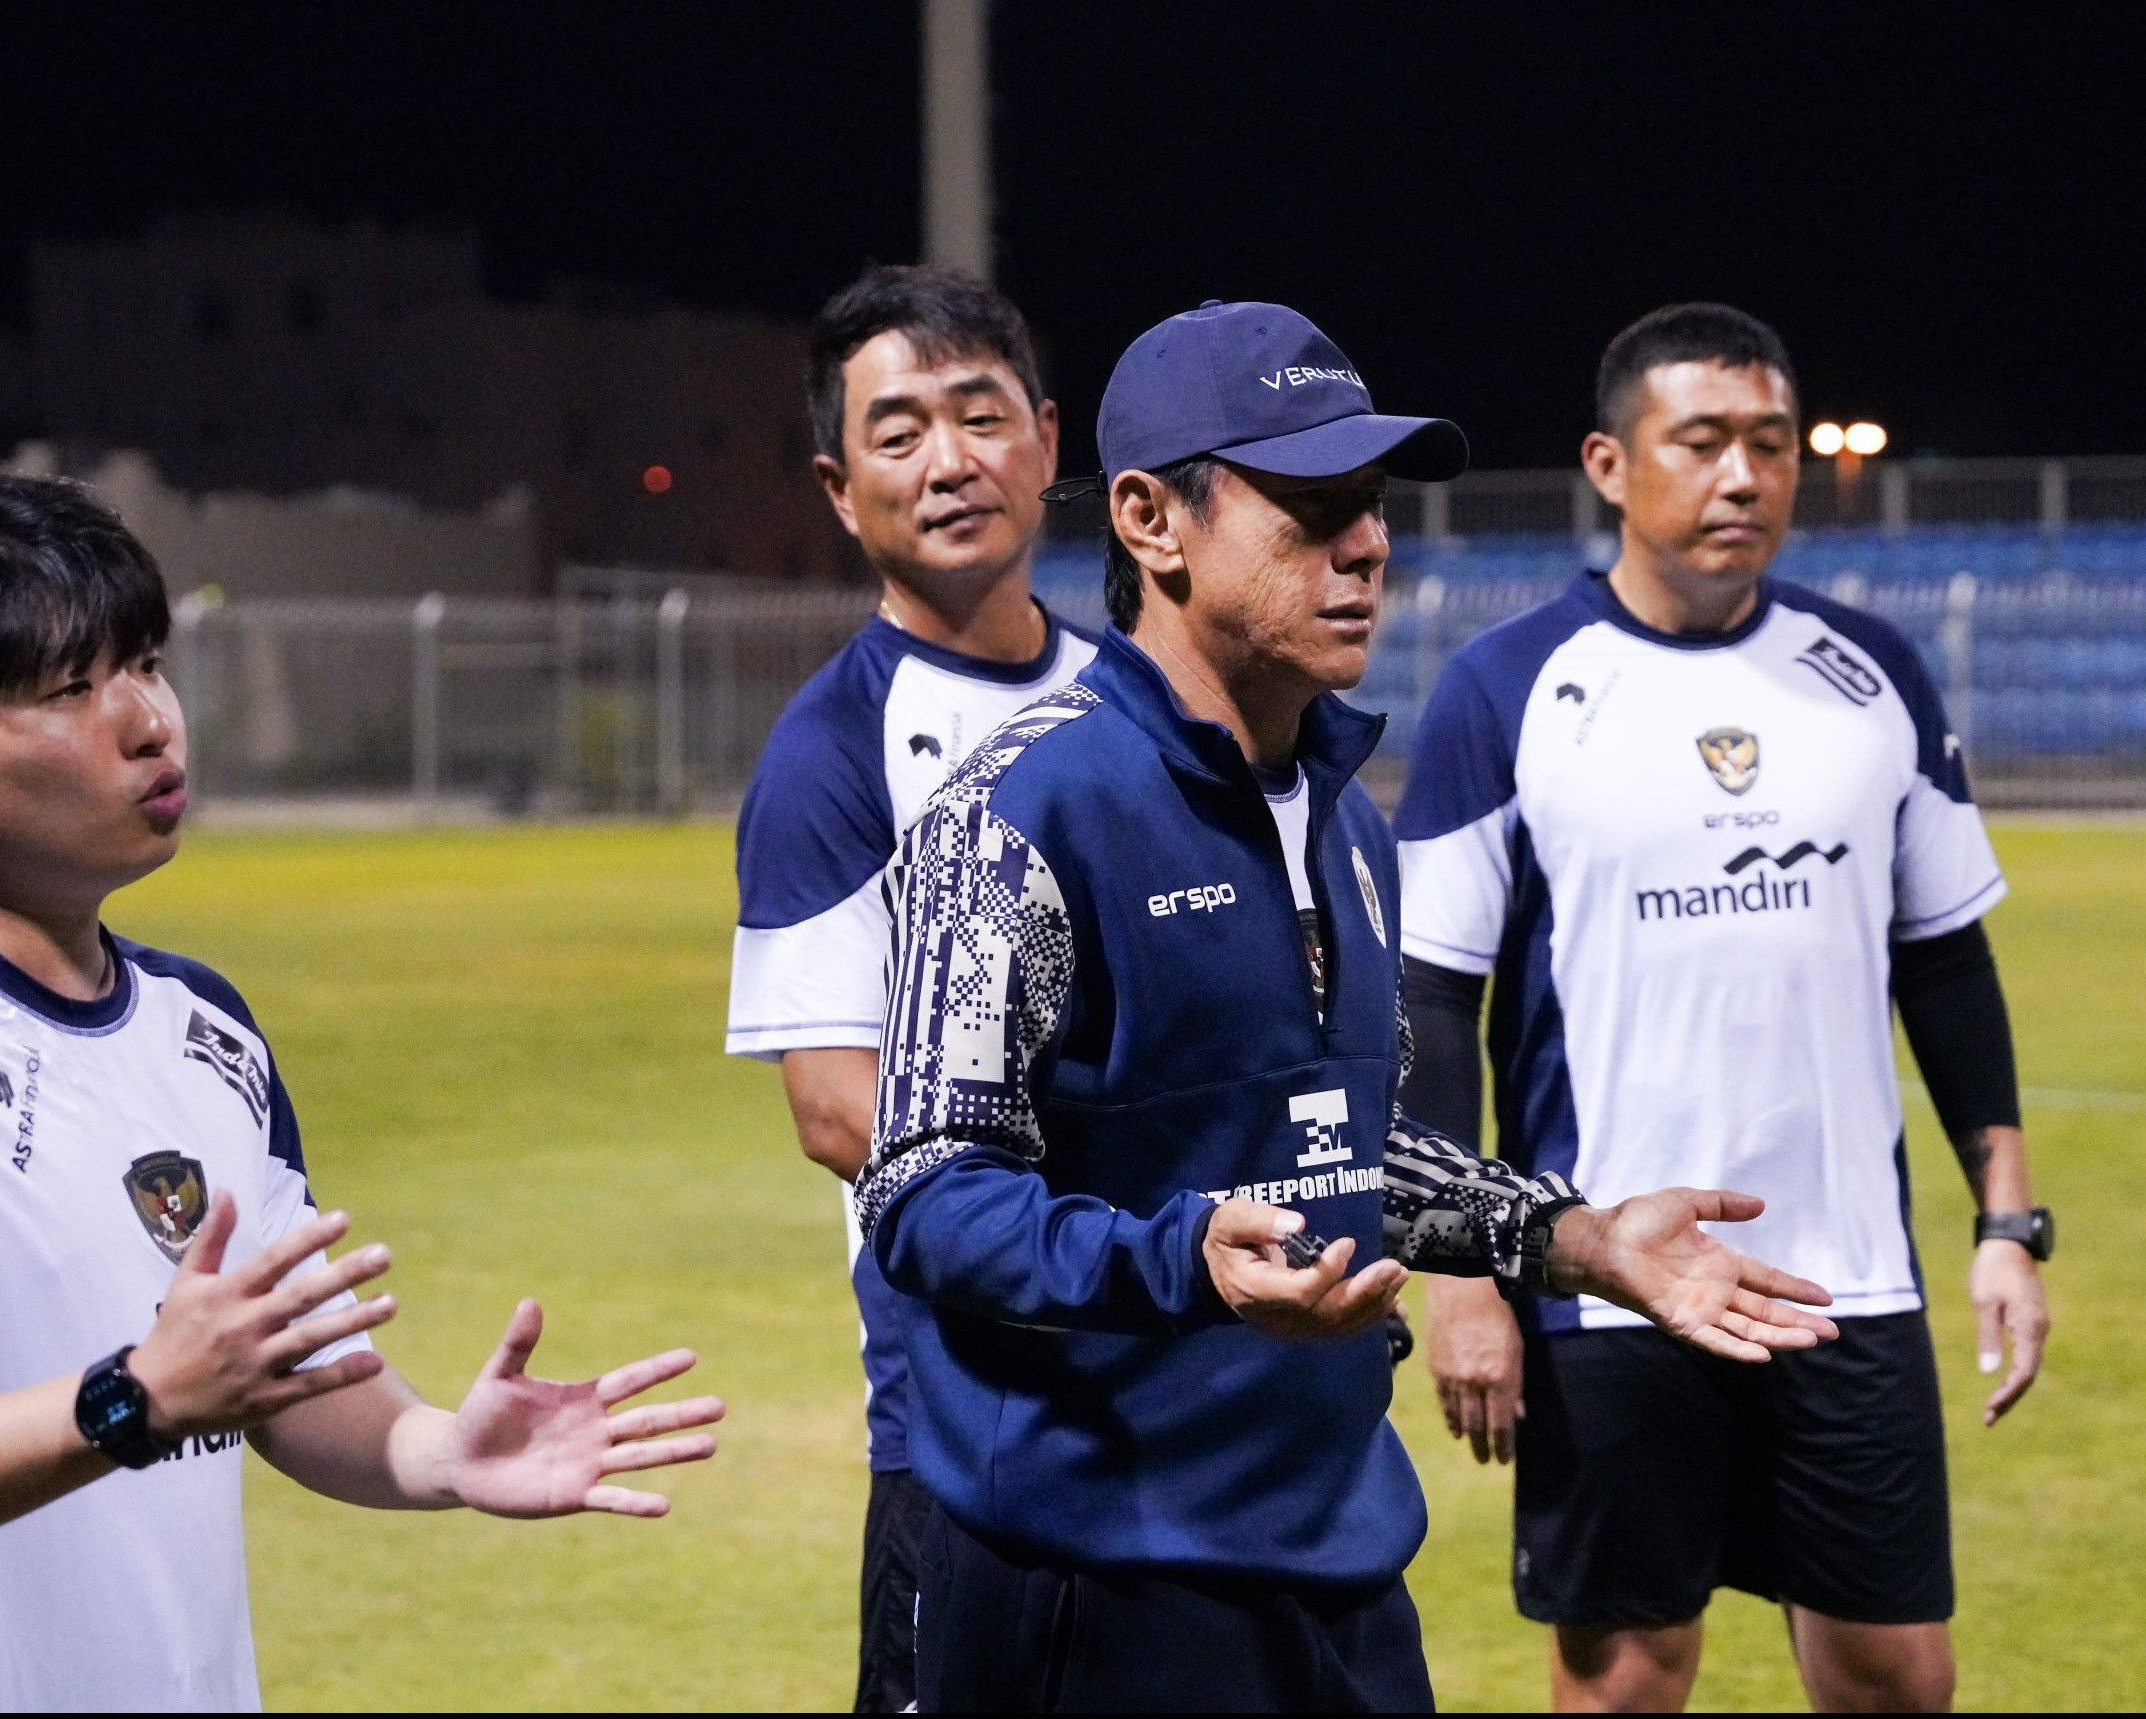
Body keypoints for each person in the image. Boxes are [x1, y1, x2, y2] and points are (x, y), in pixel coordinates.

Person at [852, 299, 1841, 1712]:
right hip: (1092, 1577)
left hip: (1339, 1561)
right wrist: (1186, 1256)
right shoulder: (1017, 814)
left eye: (1369, 506)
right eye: (1310, 506)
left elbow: (1337, 1148)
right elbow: (925, 1190)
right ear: (1150, 519)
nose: (1367, 544)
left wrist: (1564, 1233)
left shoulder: (1342, 817)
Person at [0, 471, 724, 1712]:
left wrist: (435, 1448)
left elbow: (294, 1377)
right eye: (71, 689)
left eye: (146, 664)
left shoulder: (205, 1025)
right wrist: (131, 1401)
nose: (151, 720)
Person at [1395, 302, 2053, 1714]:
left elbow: (1944, 962)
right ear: (1610, 463)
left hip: (1846, 1274)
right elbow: (1432, 1004)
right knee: (1626, 1671)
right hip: (1610, 1267)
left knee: (1894, 1672)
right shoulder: (1503, 689)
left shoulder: (1872, 674)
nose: (1743, 476)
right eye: (1700, 443)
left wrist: (2006, 1220)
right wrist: (1461, 1274)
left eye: (1769, 443)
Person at [724, 263, 1095, 1714]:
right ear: (839, 483)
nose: (949, 460)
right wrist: (1124, 1221)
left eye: (980, 415)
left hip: (1182, 1381)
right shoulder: (834, 748)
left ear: (1047, 444)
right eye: (899, 431)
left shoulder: (1136, 694)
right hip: (968, 1414)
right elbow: (835, 1105)